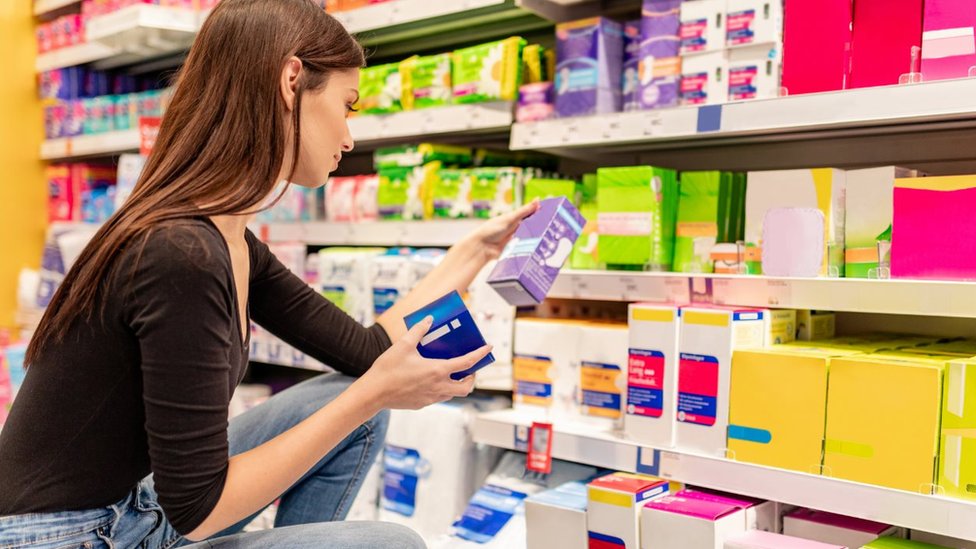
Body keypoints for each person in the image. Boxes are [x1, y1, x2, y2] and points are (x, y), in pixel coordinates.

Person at [0, 1, 538, 547]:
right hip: (63, 538)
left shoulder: (224, 238)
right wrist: (375, 393)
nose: (349, 138)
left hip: (132, 508)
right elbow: (199, 511)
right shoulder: (182, 253)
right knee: (392, 541)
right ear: (291, 79)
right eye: (347, 106)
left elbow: (367, 349)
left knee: (345, 400)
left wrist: (473, 252)